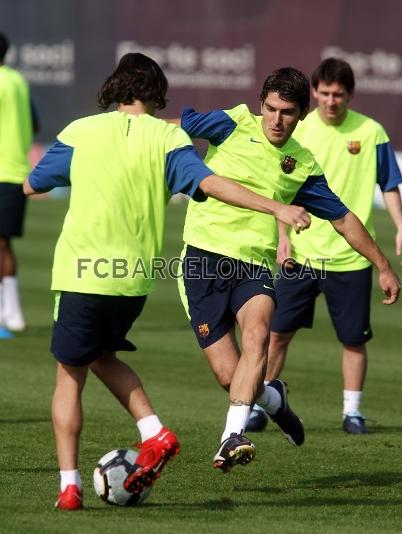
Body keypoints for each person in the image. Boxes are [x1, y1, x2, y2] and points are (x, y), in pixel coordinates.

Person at [23, 53, 315, 510]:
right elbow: (211, 182)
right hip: (134, 281)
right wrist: (274, 207)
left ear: (113, 88)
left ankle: (71, 486)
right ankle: (250, 405)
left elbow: (35, 182)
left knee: (69, 374)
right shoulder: (167, 137)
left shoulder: (81, 131)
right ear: (157, 94)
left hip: (82, 271)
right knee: (108, 356)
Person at [169, 66, 401, 473]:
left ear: (301, 113)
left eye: (288, 112)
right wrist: (129, 129)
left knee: (259, 334)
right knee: (231, 377)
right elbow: (176, 125)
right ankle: (274, 399)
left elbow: (343, 219)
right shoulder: (232, 122)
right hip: (202, 261)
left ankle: (231, 437)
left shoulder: (303, 164)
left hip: (254, 266)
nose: (277, 120)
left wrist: (382, 264)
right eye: (271, 109)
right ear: (261, 105)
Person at [247, 58, 402, 435]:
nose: (331, 100)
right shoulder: (296, 130)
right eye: (325, 93)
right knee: (277, 334)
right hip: (300, 256)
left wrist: (401, 226)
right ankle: (259, 402)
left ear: (349, 95)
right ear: (314, 93)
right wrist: (282, 237)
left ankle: (352, 412)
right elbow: (278, 189)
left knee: (352, 339)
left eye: (339, 94)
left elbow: (388, 183)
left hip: (350, 259)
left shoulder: (371, 132)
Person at [0, 32, 39, 335]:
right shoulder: (17, 80)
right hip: (16, 172)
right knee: (4, 244)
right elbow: (35, 122)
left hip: (3, 172)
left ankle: (10, 312)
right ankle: (11, 312)